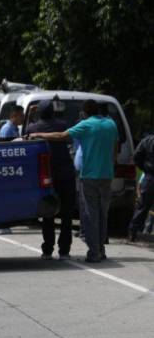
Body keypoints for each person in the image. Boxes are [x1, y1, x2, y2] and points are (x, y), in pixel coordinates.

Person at [30, 99, 118, 262]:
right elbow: (115, 148)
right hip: (106, 175)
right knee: (101, 214)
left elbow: (61, 136)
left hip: (87, 175)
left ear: (84, 113)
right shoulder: (111, 124)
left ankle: (92, 253)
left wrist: (38, 134)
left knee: (89, 215)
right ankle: (99, 249)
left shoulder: (85, 125)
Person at [26, 100, 75, 259]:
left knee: (48, 213)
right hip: (66, 173)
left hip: (47, 176)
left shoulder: (33, 128)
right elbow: (69, 140)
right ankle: (65, 250)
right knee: (66, 214)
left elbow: (25, 135)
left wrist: (31, 115)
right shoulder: (62, 126)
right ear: (53, 111)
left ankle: (47, 249)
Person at [128, 131, 154, 242]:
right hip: (150, 174)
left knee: (142, 206)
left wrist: (145, 168)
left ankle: (132, 232)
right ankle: (133, 231)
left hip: (150, 176)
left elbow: (136, 156)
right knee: (142, 206)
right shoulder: (148, 140)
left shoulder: (147, 140)